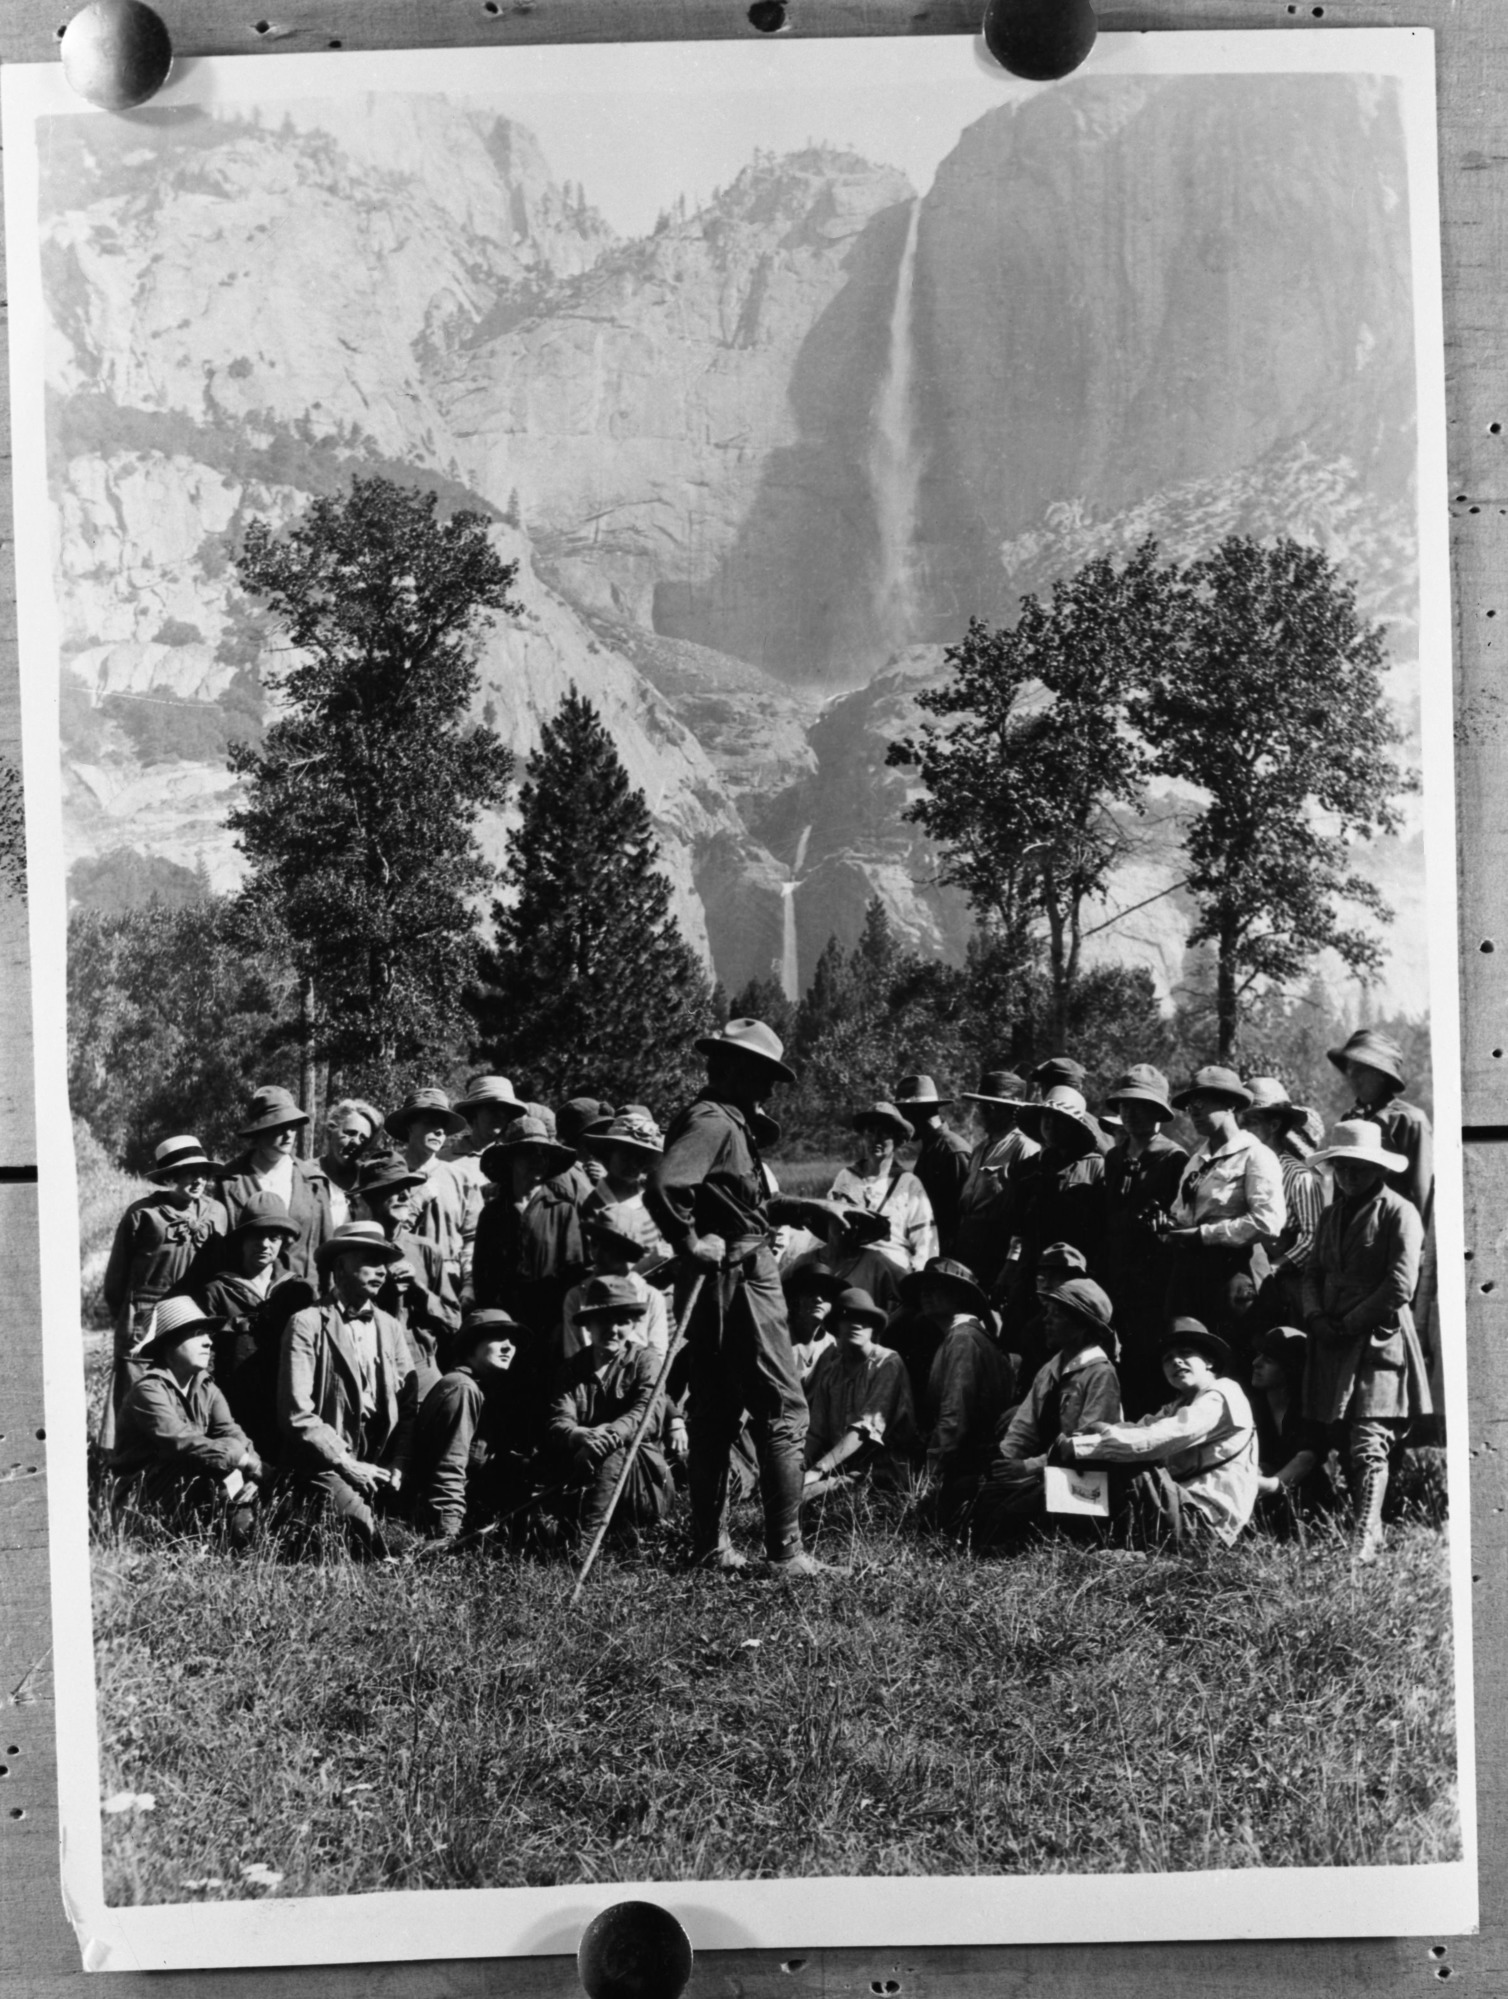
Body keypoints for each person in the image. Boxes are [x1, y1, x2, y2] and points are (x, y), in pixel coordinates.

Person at [645, 1017, 830, 1576]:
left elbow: (735, 1206)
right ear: (732, 1069)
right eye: (763, 1075)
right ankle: (786, 1552)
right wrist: (686, 1239)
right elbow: (666, 1187)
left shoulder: (726, 1121)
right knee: (783, 1407)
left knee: (717, 1409)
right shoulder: (713, 1121)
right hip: (741, 1279)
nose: (771, 1089)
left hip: (724, 1277)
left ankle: (711, 1545)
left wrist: (800, 1209)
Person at [1301, 1119, 1432, 1563]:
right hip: (1332, 1338)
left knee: (1369, 1438)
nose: (1349, 1176)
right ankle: (1371, 1529)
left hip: (1378, 1338)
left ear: (1379, 1169)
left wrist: (1352, 1320)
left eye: (1359, 1167)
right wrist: (1316, 1314)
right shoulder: (1331, 1214)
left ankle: (1360, 1541)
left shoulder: (1399, 1211)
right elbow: (1313, 1272)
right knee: (1340, 1434)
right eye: (1342, 1167)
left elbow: (1400, 1285)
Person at [277, 1220, 419, 1556]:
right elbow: (296, 1414)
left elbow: (408, 1403)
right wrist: (345, 1462)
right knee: (366, 1535)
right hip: (325, 1460)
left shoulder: (389, 1325)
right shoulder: (307, 1323)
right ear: (340, 1266)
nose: (381, 1272)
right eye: (369, 1261)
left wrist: (398, 1462)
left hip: (377, 1459)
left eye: (383, 1263)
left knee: (411, 1524)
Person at [1066, 1319, 1259, 1548]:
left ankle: (1099, 1538)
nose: (1176, 1361)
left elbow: (1155, 1440)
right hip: (1184, 1513)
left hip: (1206, 1525)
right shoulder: (1179, 1405)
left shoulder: (1222, 1393)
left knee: (1131, 1460)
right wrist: (1098, 1431)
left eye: (1186, 1353)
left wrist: (1084, 1447)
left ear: (1209, 1361)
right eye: (1168, 1359)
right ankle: (1081, 1533)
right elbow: (1141, 1429)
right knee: (1111, 1454)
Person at [968, 1276, 1121, 1547]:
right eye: (1047, 1313)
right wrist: (1005, 1460)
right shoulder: (1051, 1369)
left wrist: (1027, 1467)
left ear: (1082, 1326)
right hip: (1044, 1470)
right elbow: (1024, 1425)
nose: (1045, 1321)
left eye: (1057, 1315)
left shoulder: (1100, 1374)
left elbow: (1087, 1446)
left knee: (1011, 1513)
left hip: (1082, 1480)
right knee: (971, 1489)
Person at [100, 1134, 228, 1450]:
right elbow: (115, 1280)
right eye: (188, 1173)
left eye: (202, 1172)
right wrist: (128, 1316)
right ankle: (130, 1474)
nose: (198, 1180)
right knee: (137, 1393)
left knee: (188, 1390)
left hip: (191, 1315)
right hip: (143, 1314)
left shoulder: (217, 1213)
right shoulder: (143, 1214)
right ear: (170, 1177)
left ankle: (182, 1470)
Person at [110, 1297, 265, 1548]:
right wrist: (242, 1459)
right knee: (202, 1459)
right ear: (169, 1343)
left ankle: (225, 1537)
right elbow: (182, 1444)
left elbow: (231, 1430)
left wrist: (250, 1471)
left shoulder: (205, 1385)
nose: (208, 1341)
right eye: (197, 1334)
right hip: (143, 1505)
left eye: (207, 1334)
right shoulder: (148, 1391)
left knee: (228, 1470)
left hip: (184, 1493)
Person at [545, 1275, 674, 1552]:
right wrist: (579, 1434)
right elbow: (559, 1419)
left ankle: (585, 1545)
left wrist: (609, 1435)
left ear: (633, 1325)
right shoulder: (571, 1369)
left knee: (614, 1449)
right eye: (604, 1321)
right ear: (589, 1325)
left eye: (622, 1322)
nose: (613, 1330)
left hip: (639, 1477)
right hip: (580, 1470)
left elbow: (647, 1413)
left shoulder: (645, 1361)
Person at [1162, 1067, 1285, 1342]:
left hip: (1235, 1276)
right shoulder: (1196, 1161)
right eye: (1190, 1105)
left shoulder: (1256, 1156)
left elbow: (1268, 1221)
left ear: (1230, 1104)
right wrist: (1171, 1226)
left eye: (1203, 1101)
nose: (1194, 1110)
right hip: (1193, 1276)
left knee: (1236, 1357)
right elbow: (1182, 1211)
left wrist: (1204, 1235)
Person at [1100, 1067, 1188, 1417]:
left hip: (1152, 1281)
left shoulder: (1173, 1159)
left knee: (1147, 1362)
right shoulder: (1114, 1157)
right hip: (1115, 1276)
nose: (1130, 1113)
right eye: (1125, 1105)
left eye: (1141, 1105)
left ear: (1158, 1113)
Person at [198, 1190, 311, 1462]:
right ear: (241, 1240)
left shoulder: (297, 1290)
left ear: (283, 1242)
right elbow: (206, 1354)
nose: (264, 1245)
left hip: (283, 1397)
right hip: (233, 1399)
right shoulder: (217, 1290)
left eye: (273, 1238)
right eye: (256, 1236)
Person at [898, 1258, 1013, 1513]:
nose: (926, 1294)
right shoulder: (962, 1336)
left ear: (959, 1295)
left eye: (936, 1287)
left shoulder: (963, 1338)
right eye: (923, 1288)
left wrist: (927, 1480)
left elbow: (954, 1416)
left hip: (972, 1461)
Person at [407, 1308, 525, 1543]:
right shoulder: (462, 1388)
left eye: (512, 1340)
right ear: (472, 1344)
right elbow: (449, 1466)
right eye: (498, 1338)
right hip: (427, 1512)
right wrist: (447, 1535)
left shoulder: (481, 1388)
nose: (508, 1346)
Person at [471, 1113, 589, 1345]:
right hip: (503, 1325)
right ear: (511, 1160)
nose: (537, 1160)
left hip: (549, 1326)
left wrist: (562, 1323)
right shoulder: (493, 1214)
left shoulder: (563, 1211)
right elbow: (481, 1277)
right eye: (528, 1153)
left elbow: (573, 1275)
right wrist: (488, 1324)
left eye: (543, 1154)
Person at [354, 1151, 461, 1394]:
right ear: (371, 1197)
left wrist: (419, 1291)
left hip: (420, 1366)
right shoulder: (352, 1251)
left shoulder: (425, 1250)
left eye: (407, 1188)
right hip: (366, 1366)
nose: (404, 1195)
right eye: (393, 1188)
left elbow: (454, 1322)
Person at [801, 1287, 919, 1499]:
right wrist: (796, 1470)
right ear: (836, 1326)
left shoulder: (887, 1362)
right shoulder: (831, 1372)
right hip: (841, 1465)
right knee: (787, 1492)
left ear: (874, 1327)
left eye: (865, 1318)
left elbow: (865, 1429)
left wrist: (817, 1470)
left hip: (882, 1469)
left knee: (804, 1498)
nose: (857, 1324)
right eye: (847, 1317)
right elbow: (816, 1433)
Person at [999, 1086, 1107, 1317]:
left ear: (1075, 1128)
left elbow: (1099, 1225)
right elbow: (1013, 1224)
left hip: (1072, 1270)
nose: (1050, 1124)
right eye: (1046, 1117)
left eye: (1059, 1119)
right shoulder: (1027, 1167)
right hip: (1031, 1268)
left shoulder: (1096, 1167)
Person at [219, 1085, 335, 1285]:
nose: (289, 1134)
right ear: (259, 1131)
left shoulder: (315, 1182)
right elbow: (219, 1250)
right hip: (245, 1295)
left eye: (292, 1126)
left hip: (304, 1297)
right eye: (279, 1127)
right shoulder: (230, 1182)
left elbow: (327, 1251)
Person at [1241, 1078, 1327, 1332]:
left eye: (1252, 1123)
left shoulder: (1298, 1175)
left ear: (1274, 1124)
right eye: (1241, 1123)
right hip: (1246, 1275)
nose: (1243, 1130)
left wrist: (1275, 1267)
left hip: (1283, 1281)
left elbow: (1313, 1237)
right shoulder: (1240, 1167)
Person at [952, 1070, 1038, 1297]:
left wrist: (1011, 1265)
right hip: (968, 1247)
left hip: (996, 1251)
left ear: (1011, 1111)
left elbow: (1025, 1215)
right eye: (983, 1105)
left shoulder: (1024, 1148)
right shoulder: (980, 1148)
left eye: (992, 1107)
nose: (983, 1111)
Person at [827, 1102, 937, 1273]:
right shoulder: (846, 1177)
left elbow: (925, 1242)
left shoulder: (908, 1184)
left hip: (892, 1269)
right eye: (870, 1132)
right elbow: (829, 1227)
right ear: (863, 1136)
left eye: (884, 1133)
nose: (875, 1139)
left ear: (897, 1139)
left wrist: (916, 1281)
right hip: (849, 1266)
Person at [385, 1087, 471, 1304]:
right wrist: (418, 1199)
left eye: (442, 1126)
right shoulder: (388, 1177)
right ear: (409, 1126)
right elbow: (382, 1234)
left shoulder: (460, 1179)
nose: (439, 1132)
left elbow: (472, 1236)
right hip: (398, 1281)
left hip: (451, 1286)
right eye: (429, 1123)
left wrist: (469, 1283)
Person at [448, 1074, 531, 1298]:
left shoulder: (516, 1157)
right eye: (492, 1110)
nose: (500, 1117)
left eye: (505, 1111)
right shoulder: (446, 1158)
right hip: (455, 1264)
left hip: (505, 1263)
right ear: (474, 1113)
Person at [559, 1206, 672, 1361]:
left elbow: (657, 1355)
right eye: (594, 1244)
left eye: (606, 1247)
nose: (597, 1253)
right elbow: (572, 1355)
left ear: (625, 1251)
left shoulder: (650, 1297)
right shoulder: (577, 1296)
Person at [1249, 1325, 1331, 1528]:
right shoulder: (1253, 1407)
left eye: (1268, 1360)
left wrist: (1272, 1484)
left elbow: (1306, 1458)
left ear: (1289, 1369)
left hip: (1305, 1499)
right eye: (1259, 1356)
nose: (1255, 1363)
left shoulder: (1308, 1410)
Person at [892, 1074, 971, 1257]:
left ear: (916, 1113)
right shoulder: (930, 1149)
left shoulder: (953, 1151)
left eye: (904, 1116)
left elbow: (963, 1215)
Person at [582, 1108, 669, 1251]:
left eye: (641, 1157)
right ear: (609, 1154)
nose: (633, 1165)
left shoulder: (651, 1199)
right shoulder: (593, 1205)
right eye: (626, 1155)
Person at [317, 1099, 384, 1232]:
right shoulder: (307, 1174)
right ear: (331, 1130)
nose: (356, 1143)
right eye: (350, 1133)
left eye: (363, 1139)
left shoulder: (368, 1180)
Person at [784, 1265, 845, 1381]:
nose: (818, 1299)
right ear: (794, 1300)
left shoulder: (830, 1344)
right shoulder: (779, 1337)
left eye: (825, 1295)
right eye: (810, 1293)